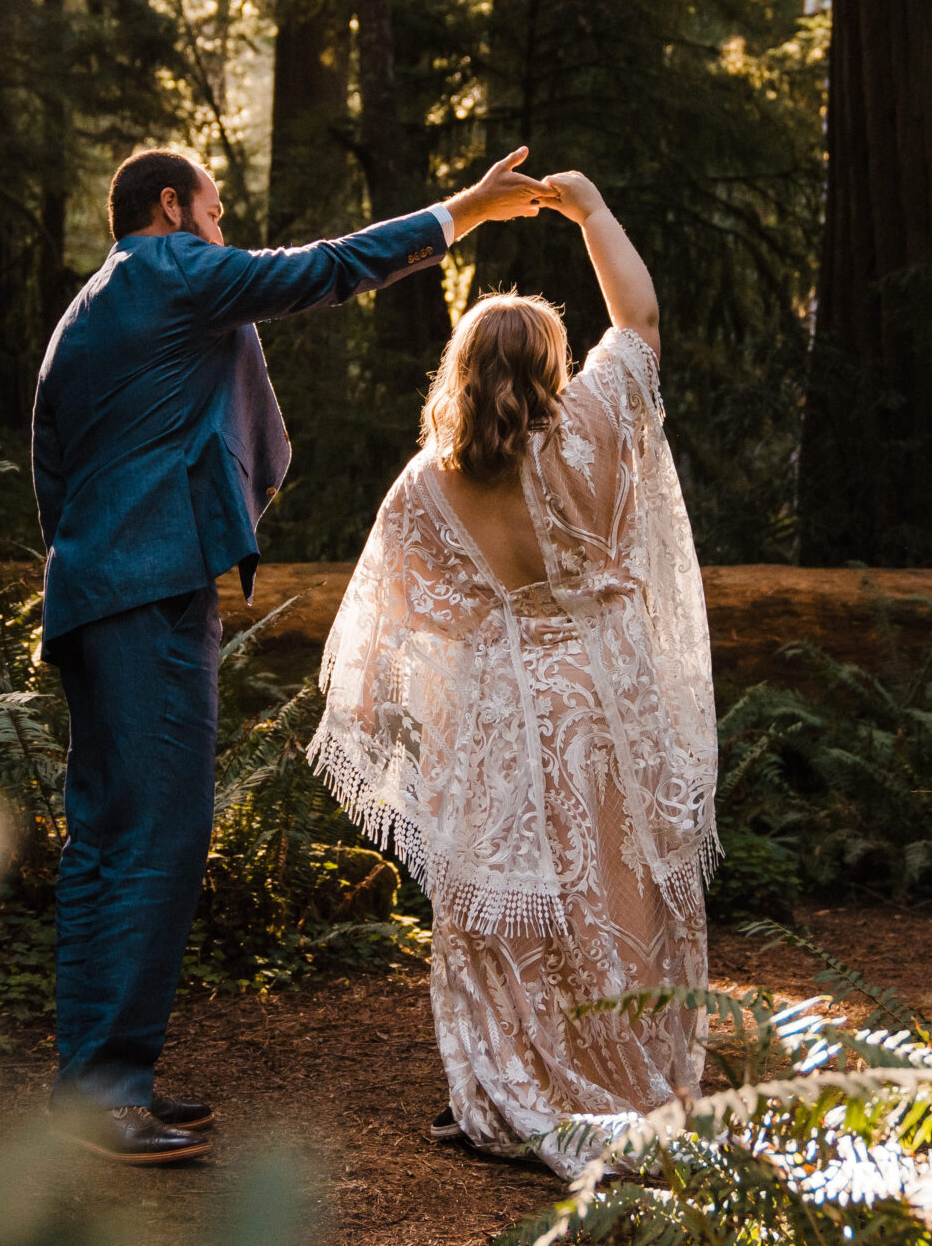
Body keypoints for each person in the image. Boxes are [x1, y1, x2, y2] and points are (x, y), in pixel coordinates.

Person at [31, 144, 550, 1164]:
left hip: (98, 590)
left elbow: (51, 468)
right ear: (174, 207)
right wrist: (464, 213)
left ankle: (96, 1082)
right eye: (217, 211)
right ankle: (104, 1095)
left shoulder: (86, 312)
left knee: (108, 837)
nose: (226, 230)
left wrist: (97, 563)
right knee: (157, 838)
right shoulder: (170, 272)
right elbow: (325, 265)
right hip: (146, 595)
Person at [307, 170, 717, 1177]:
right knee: (614, 902)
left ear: (457, 368)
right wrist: (590, 211)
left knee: (505, 915)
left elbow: (382, 618)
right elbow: (644, 314)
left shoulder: (428, 482)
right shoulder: (596, 426)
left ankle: (508, 1085)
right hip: (607, 701)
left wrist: (393, 713)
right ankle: (624, 1083)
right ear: (550, 363)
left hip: (498, 714)